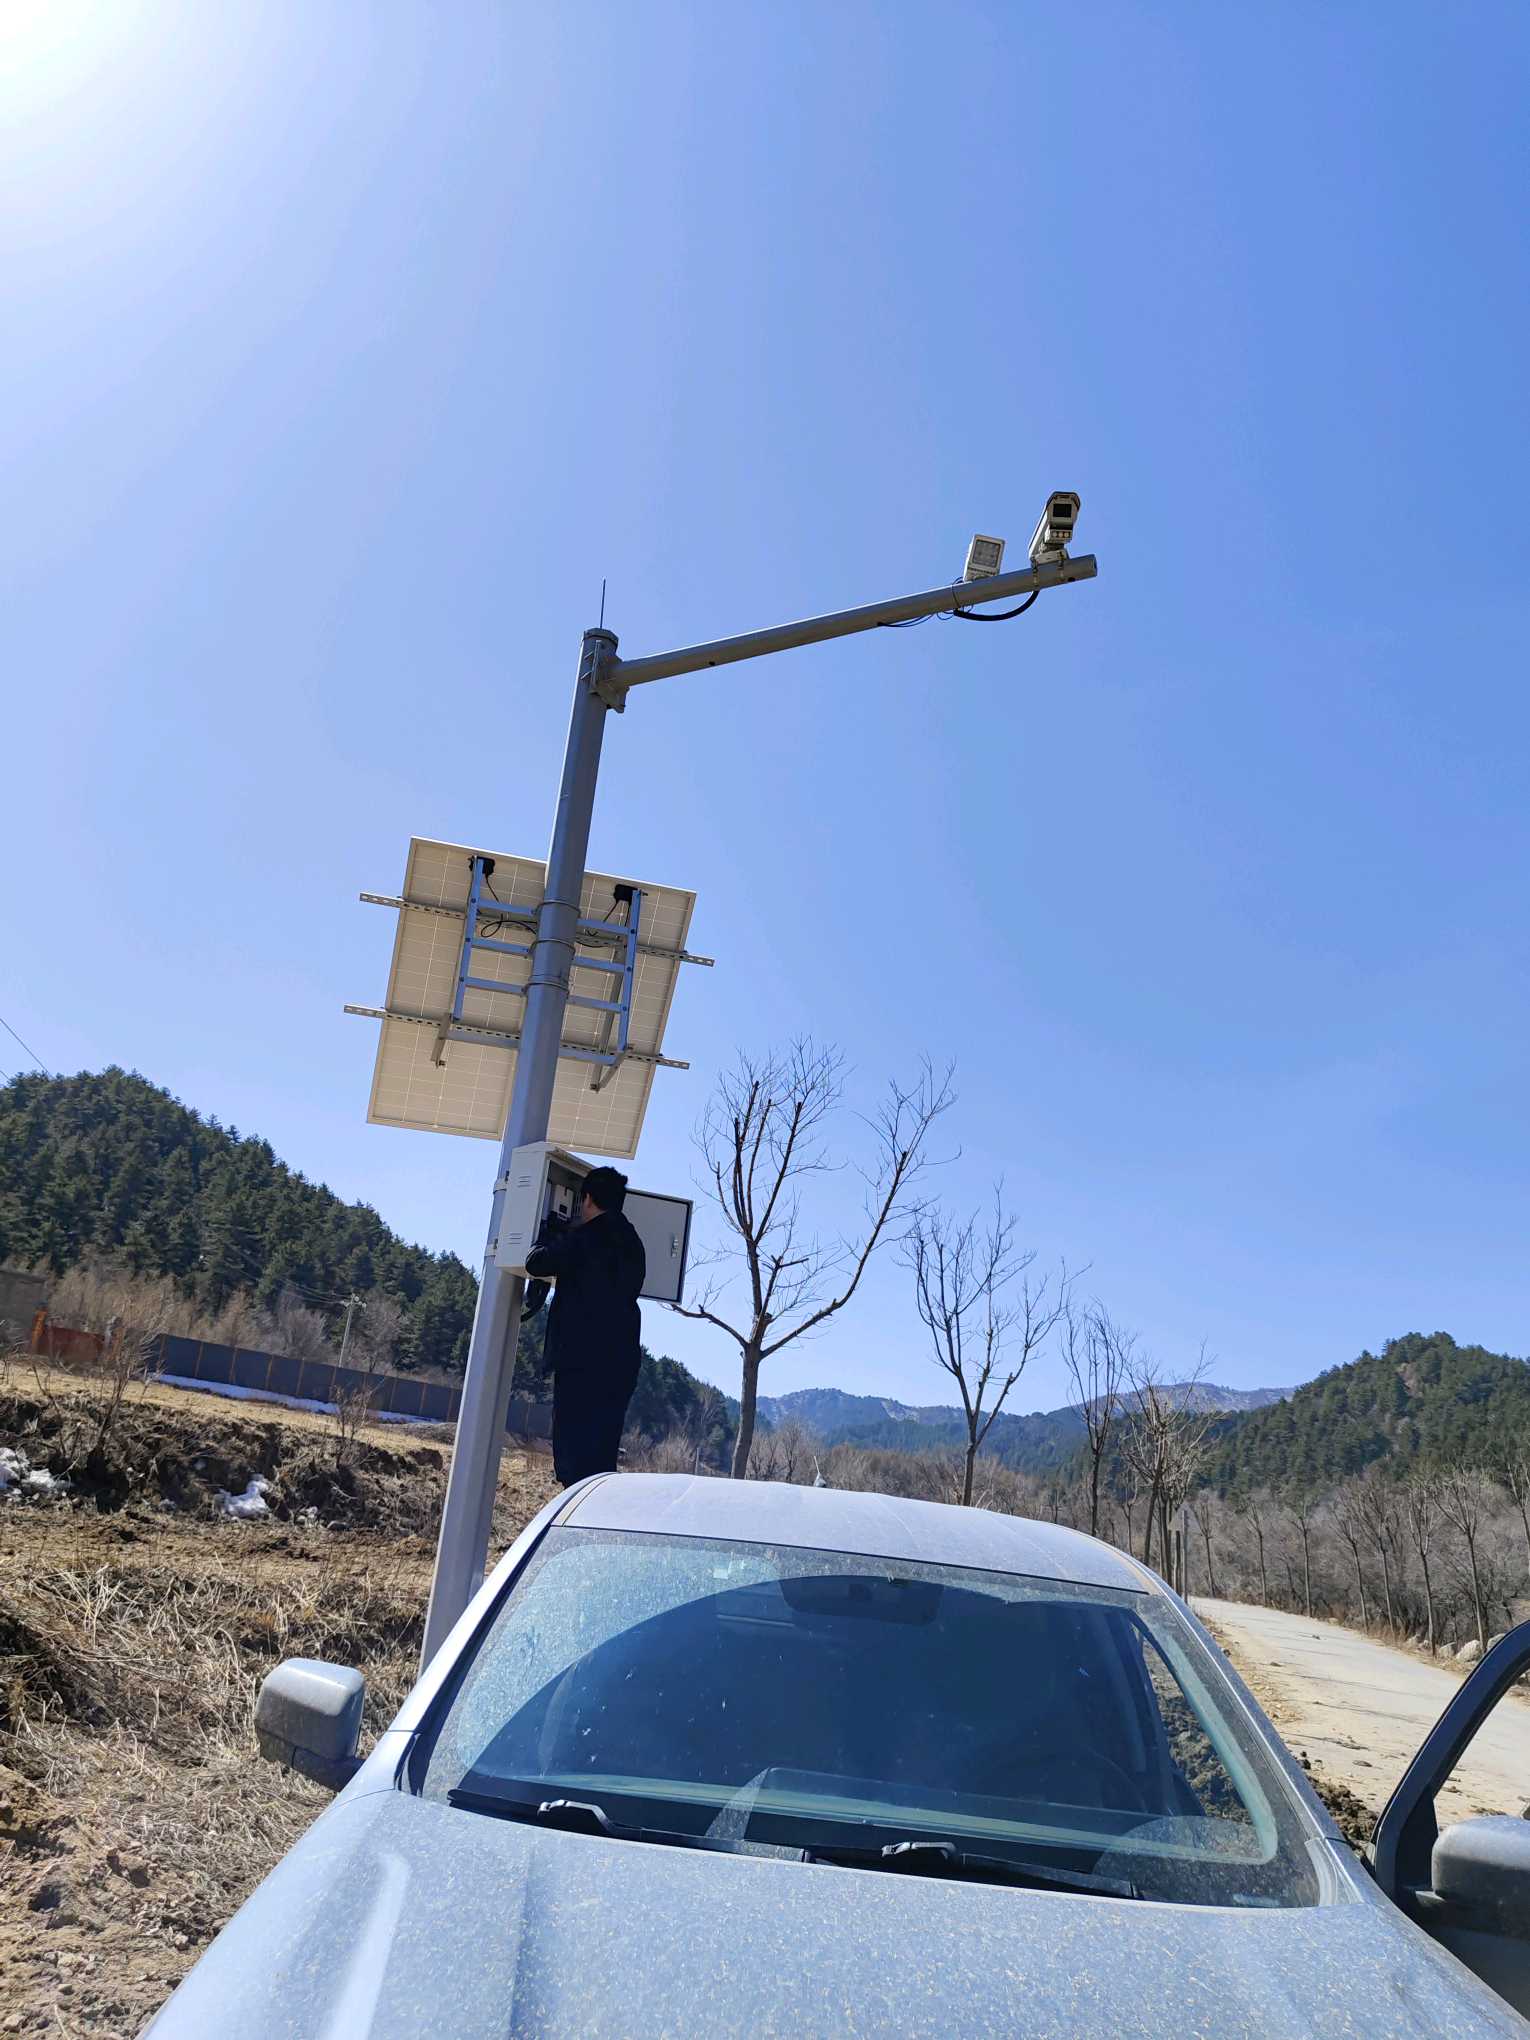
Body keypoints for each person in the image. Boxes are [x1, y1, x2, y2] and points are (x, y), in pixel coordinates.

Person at [524, 1165, 646, 1486]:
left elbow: (536, 1262)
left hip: (580, 1361)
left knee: (572, 1457)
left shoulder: (584, 1239)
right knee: (601, 1459)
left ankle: (574, 1507)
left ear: (587, 1199)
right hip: (620, 1362)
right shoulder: (633, 1242)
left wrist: (549, 1237)